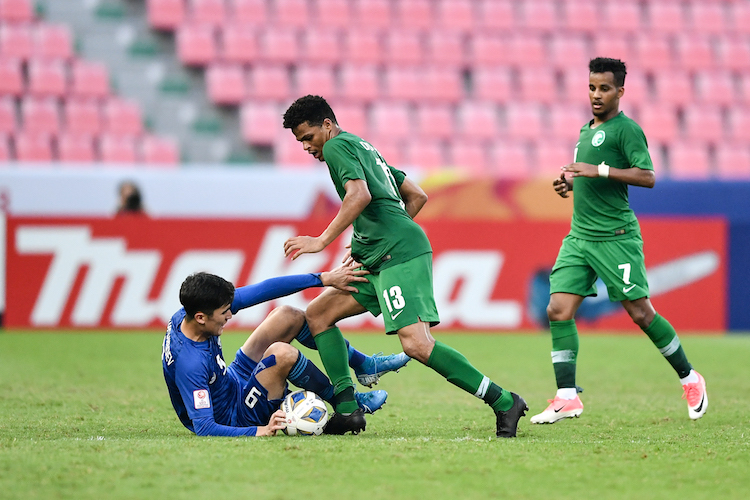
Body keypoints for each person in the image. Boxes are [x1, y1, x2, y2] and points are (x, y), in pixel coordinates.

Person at [281, 95, 527, 437]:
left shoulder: (338, 148)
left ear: (327, 125)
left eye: (308, 137)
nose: (307, 147)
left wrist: (321, 241)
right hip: (381, 255)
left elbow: (360, 196)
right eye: (300, 142)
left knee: (416, 344)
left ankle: (503, 401)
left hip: (399, 256)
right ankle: (349, 410)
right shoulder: (364, 147)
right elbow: (417, 196)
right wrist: (373, 238)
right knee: (318, 315)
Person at [530, 57, 708, 424]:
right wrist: (572, 182)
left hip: (616, 238)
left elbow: (647, 176)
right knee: (557, 310)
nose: (597, 95)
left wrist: (599, 170)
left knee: (640, 312)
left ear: (620, 92)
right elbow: (590, 177)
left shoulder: (627, 130)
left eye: (605, 88)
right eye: (592, 87)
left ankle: (691, 378)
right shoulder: (585, 130)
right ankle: (567, 397)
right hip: (579, 237)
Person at [162, 263, 409, 437]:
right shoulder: (190, 363)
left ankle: (364, 365)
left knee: (286, 315)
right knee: (282, 354)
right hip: (235, 415)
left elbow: (266, 289)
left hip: (232, 381)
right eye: (225, 313)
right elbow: (204, 427)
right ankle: (346, 401)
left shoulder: (191, 313)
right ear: (201, 318)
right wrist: (260, 430)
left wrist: (323, 278)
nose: (230, 315)